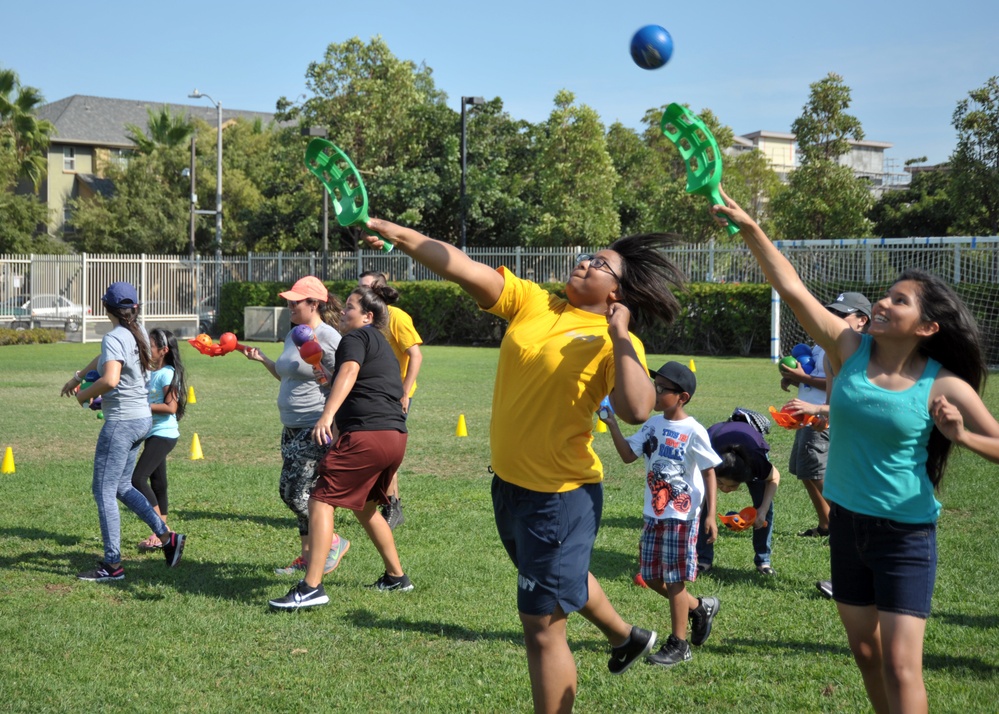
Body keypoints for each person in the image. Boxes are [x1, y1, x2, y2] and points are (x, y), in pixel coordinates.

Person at [360, 217, 685, 714]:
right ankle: (626, 637)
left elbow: (638, 409)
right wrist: (398, 234)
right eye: (587, 256)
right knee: (560, 581)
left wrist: (620, 336)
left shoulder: (613, 341)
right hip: (509, 487)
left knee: (541, 627)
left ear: (620, 292)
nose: (584, 263)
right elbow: (459, 265)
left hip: (559, 497)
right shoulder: (535, 301)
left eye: (600, 265)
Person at [713, 188, 999, 714]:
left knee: (900, 664)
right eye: (887, 295)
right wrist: (752, 228)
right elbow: (792, 287)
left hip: (904, 535)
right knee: (865, 651)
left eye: (900, 301)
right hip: (846, 524)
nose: (884, 303)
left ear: (928, 327)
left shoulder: (944, 385)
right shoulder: (848, 346)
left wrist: (962, 437)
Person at [269, 285, 411, 610]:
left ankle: (312, 587)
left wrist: (327, 415)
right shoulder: (381, 344)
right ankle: (396, 576)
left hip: (367, 435)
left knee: (320, 498)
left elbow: (349, 371)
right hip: (394, 437)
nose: (343, 312)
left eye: (350, 307)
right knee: (364, 507)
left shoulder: (356, 338)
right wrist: (320, 369)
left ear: (368, 316)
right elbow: (348, 381)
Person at [59, 281, 185, 581]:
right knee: (122, 487)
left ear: (106, 309)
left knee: (103, 491)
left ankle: (112, 565)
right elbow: (104, 361)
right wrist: (78, 376)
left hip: (122, 423)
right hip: (142, 420)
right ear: (135, 308)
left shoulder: (114, 336)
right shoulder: (138, 332)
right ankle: (167, 538)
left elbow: (111, 377)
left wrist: (83, 394)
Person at [602, 361, 721, 668]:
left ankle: (679, 645)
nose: (655, 392)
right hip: (654, 514)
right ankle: (698, 608)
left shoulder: (694, 430)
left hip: (682, 518)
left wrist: (710, 515)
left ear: (682, 397)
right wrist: (613, 424)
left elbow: (709, 472)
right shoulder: (653, 425)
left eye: (662, 389)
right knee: (652, 576)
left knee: (675, 578)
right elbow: (629, 456)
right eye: (655, 386)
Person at [243, 276, 350, 577]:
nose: (289, 305)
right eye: (289, 300)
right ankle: (307, 555)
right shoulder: (295, 334)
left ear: (314, 304)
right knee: (306, 490)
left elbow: (343, 379)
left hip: (314, 425)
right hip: (290, 425)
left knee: (292, 492)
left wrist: (331, 419)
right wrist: (263, 359)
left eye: (296, 301)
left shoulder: (329, 337)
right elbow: (287, 374)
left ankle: (332, 541)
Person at [780, 293, 871, 538]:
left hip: (822, 413)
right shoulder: (824, 342)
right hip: (806, 412)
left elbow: (842, 386)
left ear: (862, 320)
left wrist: (804, 380)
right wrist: (794, 377)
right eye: (832, 312)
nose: (833, 318)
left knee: (816, 471)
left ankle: (844, 524)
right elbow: (815, 370)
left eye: (841, 314)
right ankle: (827, 524)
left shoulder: (855, 348)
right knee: (804, 470)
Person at [358, 271, 424, 529]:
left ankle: (392, 505)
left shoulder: (396, 317)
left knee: (386, 454)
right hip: (371, 393)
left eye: (366, 288)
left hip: (394, 395)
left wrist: (404, 393)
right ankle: (382, 502)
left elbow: (415, 356)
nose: (360, 292)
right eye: (358, 287)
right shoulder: (365, 319)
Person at [696, 411, 781, 576]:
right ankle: (703, 559)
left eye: (733, 486)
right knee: (703, 509)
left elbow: (774, 477)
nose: (726, 490)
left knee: (764, 505)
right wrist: (708, 515)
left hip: (749, 448)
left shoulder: (757, 461)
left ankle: (763, 561)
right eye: (720, 483)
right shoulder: (706, 458)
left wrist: (762, 511)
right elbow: (698, 500)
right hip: (716, 443)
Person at [132, 328, 187, 551]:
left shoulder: (167, 373)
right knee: (158, 483)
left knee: (137, 479)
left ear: (163, 350)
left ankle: (160, 531)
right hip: (154, 433)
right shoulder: (151, 372)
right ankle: (162, 528)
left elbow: (171, 407)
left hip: (163, 434)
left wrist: (143, 407)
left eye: (151, 346)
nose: (146, 349)